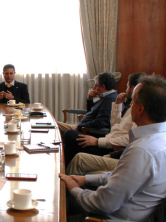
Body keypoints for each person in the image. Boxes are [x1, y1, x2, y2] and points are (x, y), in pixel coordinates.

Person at [59, 74, 166, 222]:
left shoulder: (142, 151)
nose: (130, 107)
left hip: (105, 217)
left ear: (140, 109)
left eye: (133, 103)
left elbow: (103, 203)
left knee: (55, 204)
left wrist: (73, 188)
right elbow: (121, 177)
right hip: (118, 208)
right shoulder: (158, 139)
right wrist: (85, 179)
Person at [66, 72, 146, 176]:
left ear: (132, 88)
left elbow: (130, 139)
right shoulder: (130, 107)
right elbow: (115, 127)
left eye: (126, 86)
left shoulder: (138, 113)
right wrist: (117, 105)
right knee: (68, 140)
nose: (125, 90)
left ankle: (64, 181)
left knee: (69, 135)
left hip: (109, 147)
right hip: (107, 141)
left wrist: (98, 142)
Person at [61, 72, 118, 166]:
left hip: (91, 134)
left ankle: (63, 166)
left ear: (103, 87)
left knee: (68, 134)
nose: (94, 89)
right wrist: (89, 99)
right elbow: (91, 113)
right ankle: (64, 166)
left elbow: (101, 122)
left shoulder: (110, 100)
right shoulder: (105, 98)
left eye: (96, 86)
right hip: (83, 128)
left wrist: (80, 126)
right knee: (57, 127)